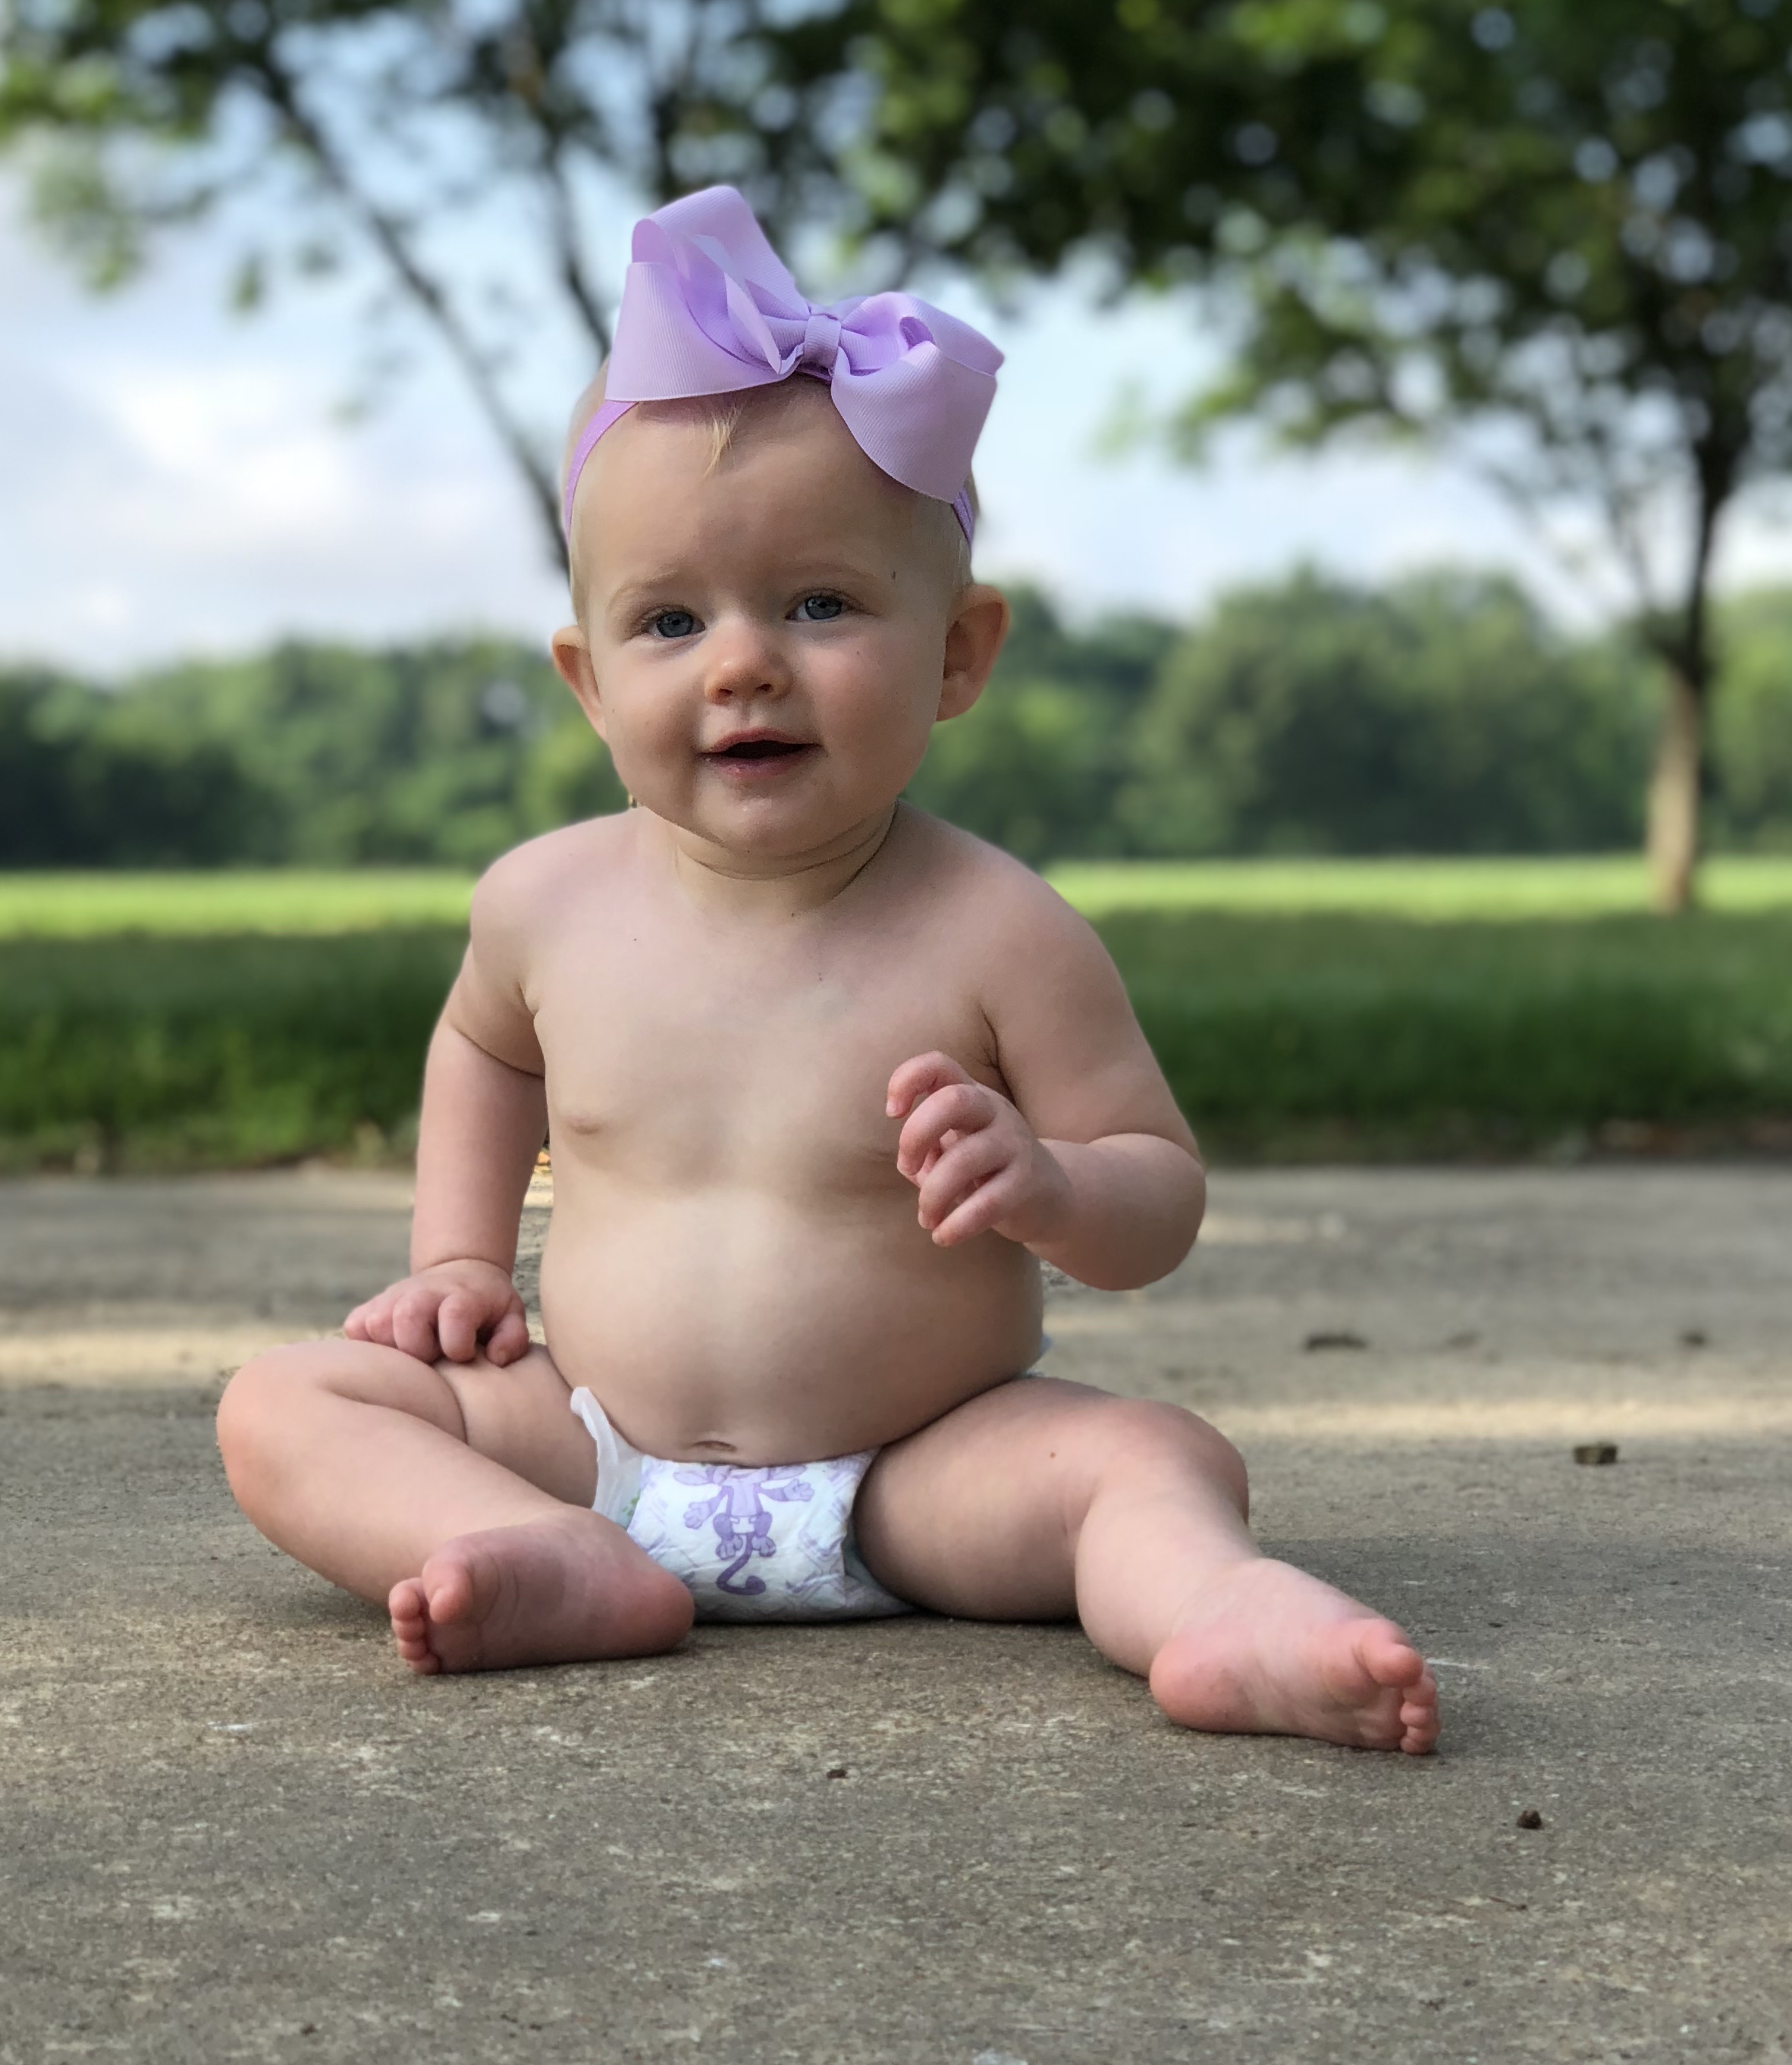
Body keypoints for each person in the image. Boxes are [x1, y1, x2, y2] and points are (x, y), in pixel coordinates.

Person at [215, 190, 1438, 1751]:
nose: (744, 663)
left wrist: (1056, 1183)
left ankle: (1224, 1615)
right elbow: (486, 1051)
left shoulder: (1001, 931)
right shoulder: (542, 904)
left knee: (1153, 1460)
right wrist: (457, 1258)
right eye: (670, 620)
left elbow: (1161, 1196)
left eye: (819, 604)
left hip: (919, 1471)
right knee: (284, 1403)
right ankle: (541, 1556)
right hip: (586, 1448)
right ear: (588, 683)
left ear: (958, 654)